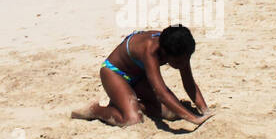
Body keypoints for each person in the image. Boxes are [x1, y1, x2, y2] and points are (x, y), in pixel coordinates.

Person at [71, 25, 212, 127]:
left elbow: (188, 82)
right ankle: (95, 110)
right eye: (179, 61)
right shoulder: (150, 50)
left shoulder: (178, 48)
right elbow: (161, 93)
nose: (184, 64)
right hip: (115, 73)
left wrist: (205, 111)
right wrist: (194, 119)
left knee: (172, 113)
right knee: (132, 120)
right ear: (165, 52)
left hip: (139, 76)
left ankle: (130, 103)